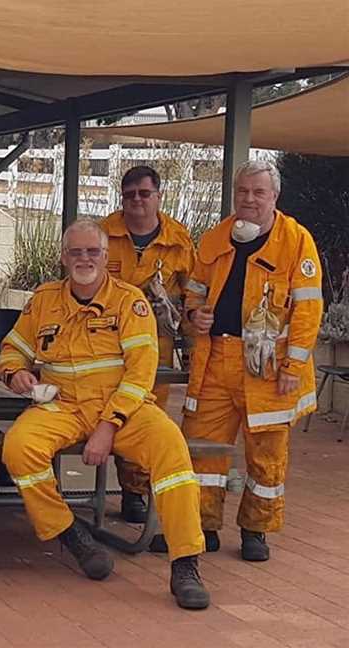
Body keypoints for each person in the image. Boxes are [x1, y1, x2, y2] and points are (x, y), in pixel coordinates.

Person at [0, 218, 210, 610]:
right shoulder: (44, 299)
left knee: (171, 449)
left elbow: (141, 372)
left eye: (92, 251)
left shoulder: (130, 302)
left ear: (106, 257)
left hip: (123, 408)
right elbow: (12, 348)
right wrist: (18, 373)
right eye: (75, 252)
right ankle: (71, 534)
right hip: (61, 405)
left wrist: (108, 426)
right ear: (63, 257)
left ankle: (185, 562)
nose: (84, 258)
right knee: (18, 447)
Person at [180, 160, 322, 561]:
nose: (249, 199)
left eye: (258, 192)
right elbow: (193, 292)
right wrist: (194, 314)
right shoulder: (214, 238)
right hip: (215, 360)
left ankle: (255, 530)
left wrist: (293, 367)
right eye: (243, 191)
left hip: (269, 369)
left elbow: (309, 311)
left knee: (266, 453)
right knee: (203, 450)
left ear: (274, 197)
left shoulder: (296, 241)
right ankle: (203, 526)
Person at [100, 166, 196, 523]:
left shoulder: (178, 239)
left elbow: (193, 293)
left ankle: (135, 492)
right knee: (110, 405)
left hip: (157, 344)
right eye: (129, 195)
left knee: (145, 412)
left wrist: (192, 338)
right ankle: (116, 486)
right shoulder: (102, 234)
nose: (136, 200)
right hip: (104, 342)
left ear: (158, 195)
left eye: (144, 193)